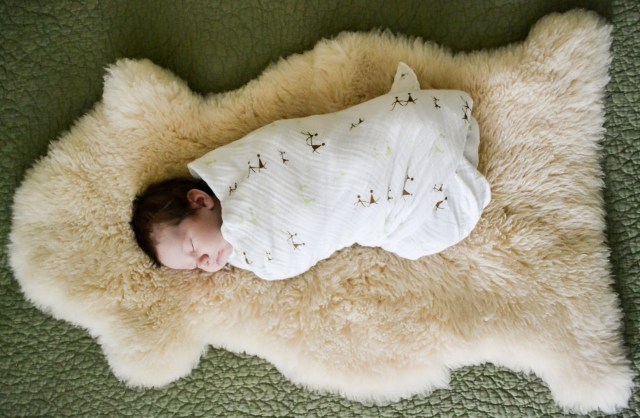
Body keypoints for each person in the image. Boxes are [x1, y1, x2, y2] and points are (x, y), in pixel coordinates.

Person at [131, 63, 491, 280]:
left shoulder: (241, 174)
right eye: (195, 266)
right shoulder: (249, 255)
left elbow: (288, 146)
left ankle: (427, 145)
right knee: (422, 236)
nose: (205, 262)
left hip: (349, 160)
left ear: (200, 201)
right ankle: (442, 163)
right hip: (370, 211)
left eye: (193, 247)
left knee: (382, 147)